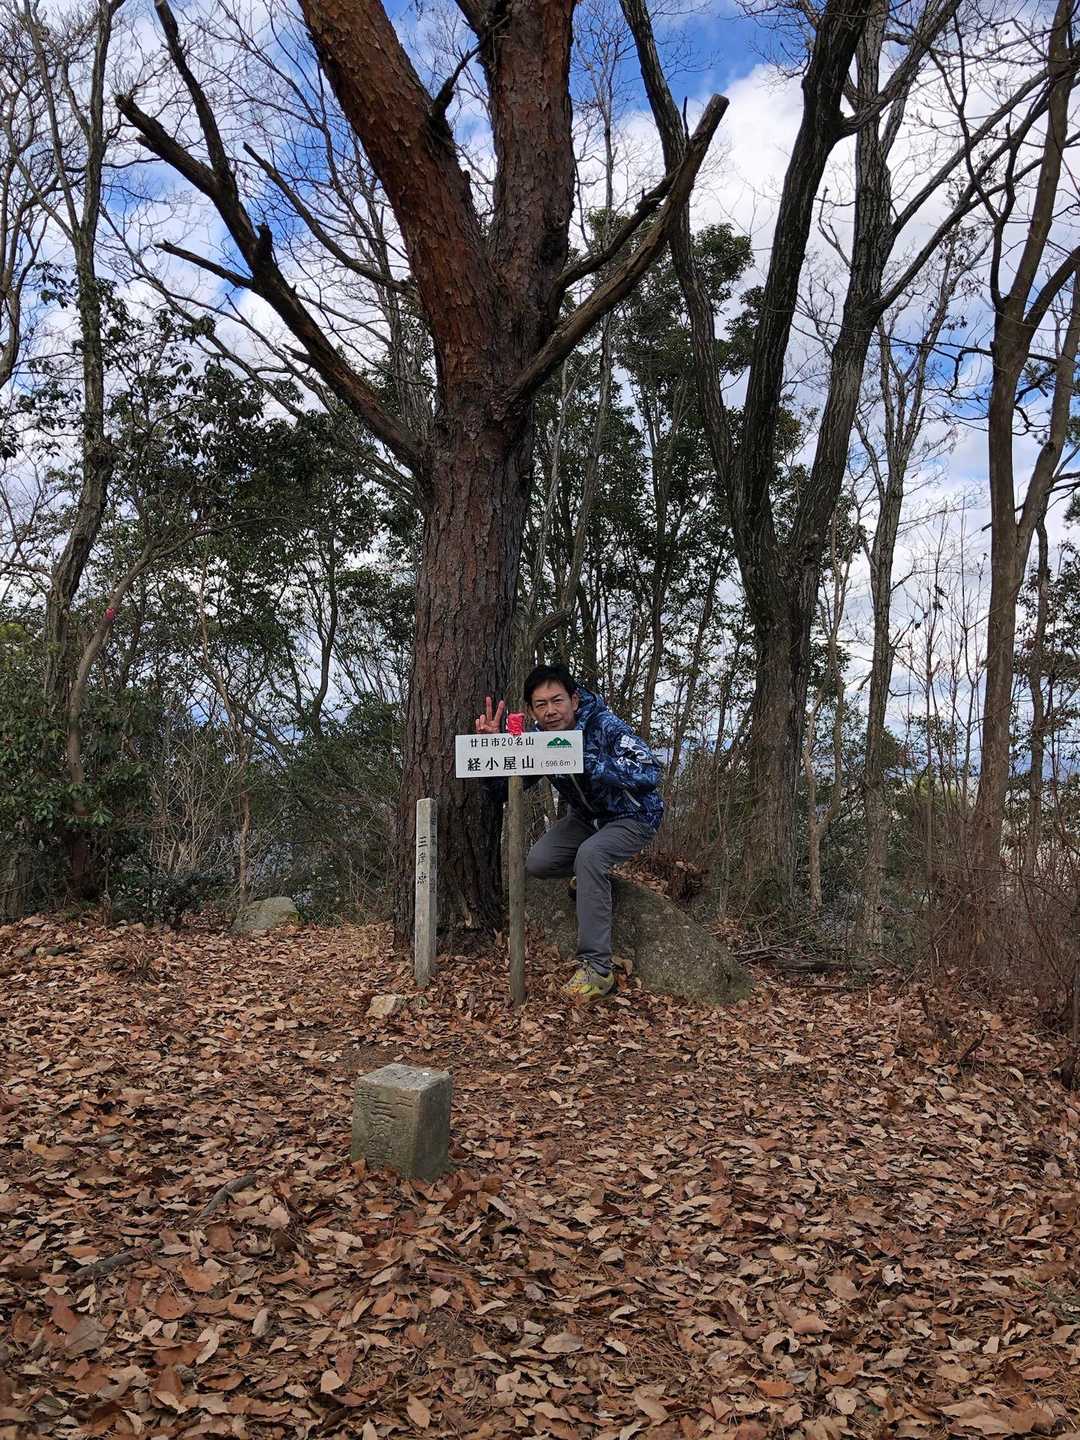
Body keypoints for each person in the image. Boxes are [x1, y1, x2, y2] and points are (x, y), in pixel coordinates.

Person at [476, 664, 662, 1003]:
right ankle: (589, 879)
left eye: (557, 700)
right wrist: (493, 751)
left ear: (574, 701)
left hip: (633, 816)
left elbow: (648, 771)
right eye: (541, 704)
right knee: (538, 862)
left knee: (590, 856)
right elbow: (503, 791)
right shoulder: (540, 743)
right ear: (532, 710)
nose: (550, 711)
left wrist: (584, 758)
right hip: (585, 819)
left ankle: (598, 969)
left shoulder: (604, 725)